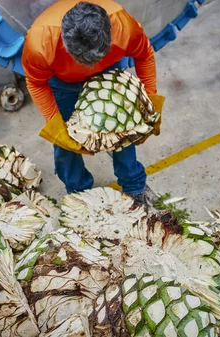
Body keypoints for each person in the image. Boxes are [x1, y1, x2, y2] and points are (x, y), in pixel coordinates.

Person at [21, 0, 165, 205]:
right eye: (82, 59)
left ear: (110, 34)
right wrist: (55, 125)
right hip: (62, 82)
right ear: (64, 40)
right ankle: (79, 191)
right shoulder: (40, 44)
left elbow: (145, 56)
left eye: (94, 59)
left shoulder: (124, 26)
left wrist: (152, 101)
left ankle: (134, 186)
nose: (89, 67)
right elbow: (36, 83)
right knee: (64, 142)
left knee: (123, 126)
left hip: (107, 71)